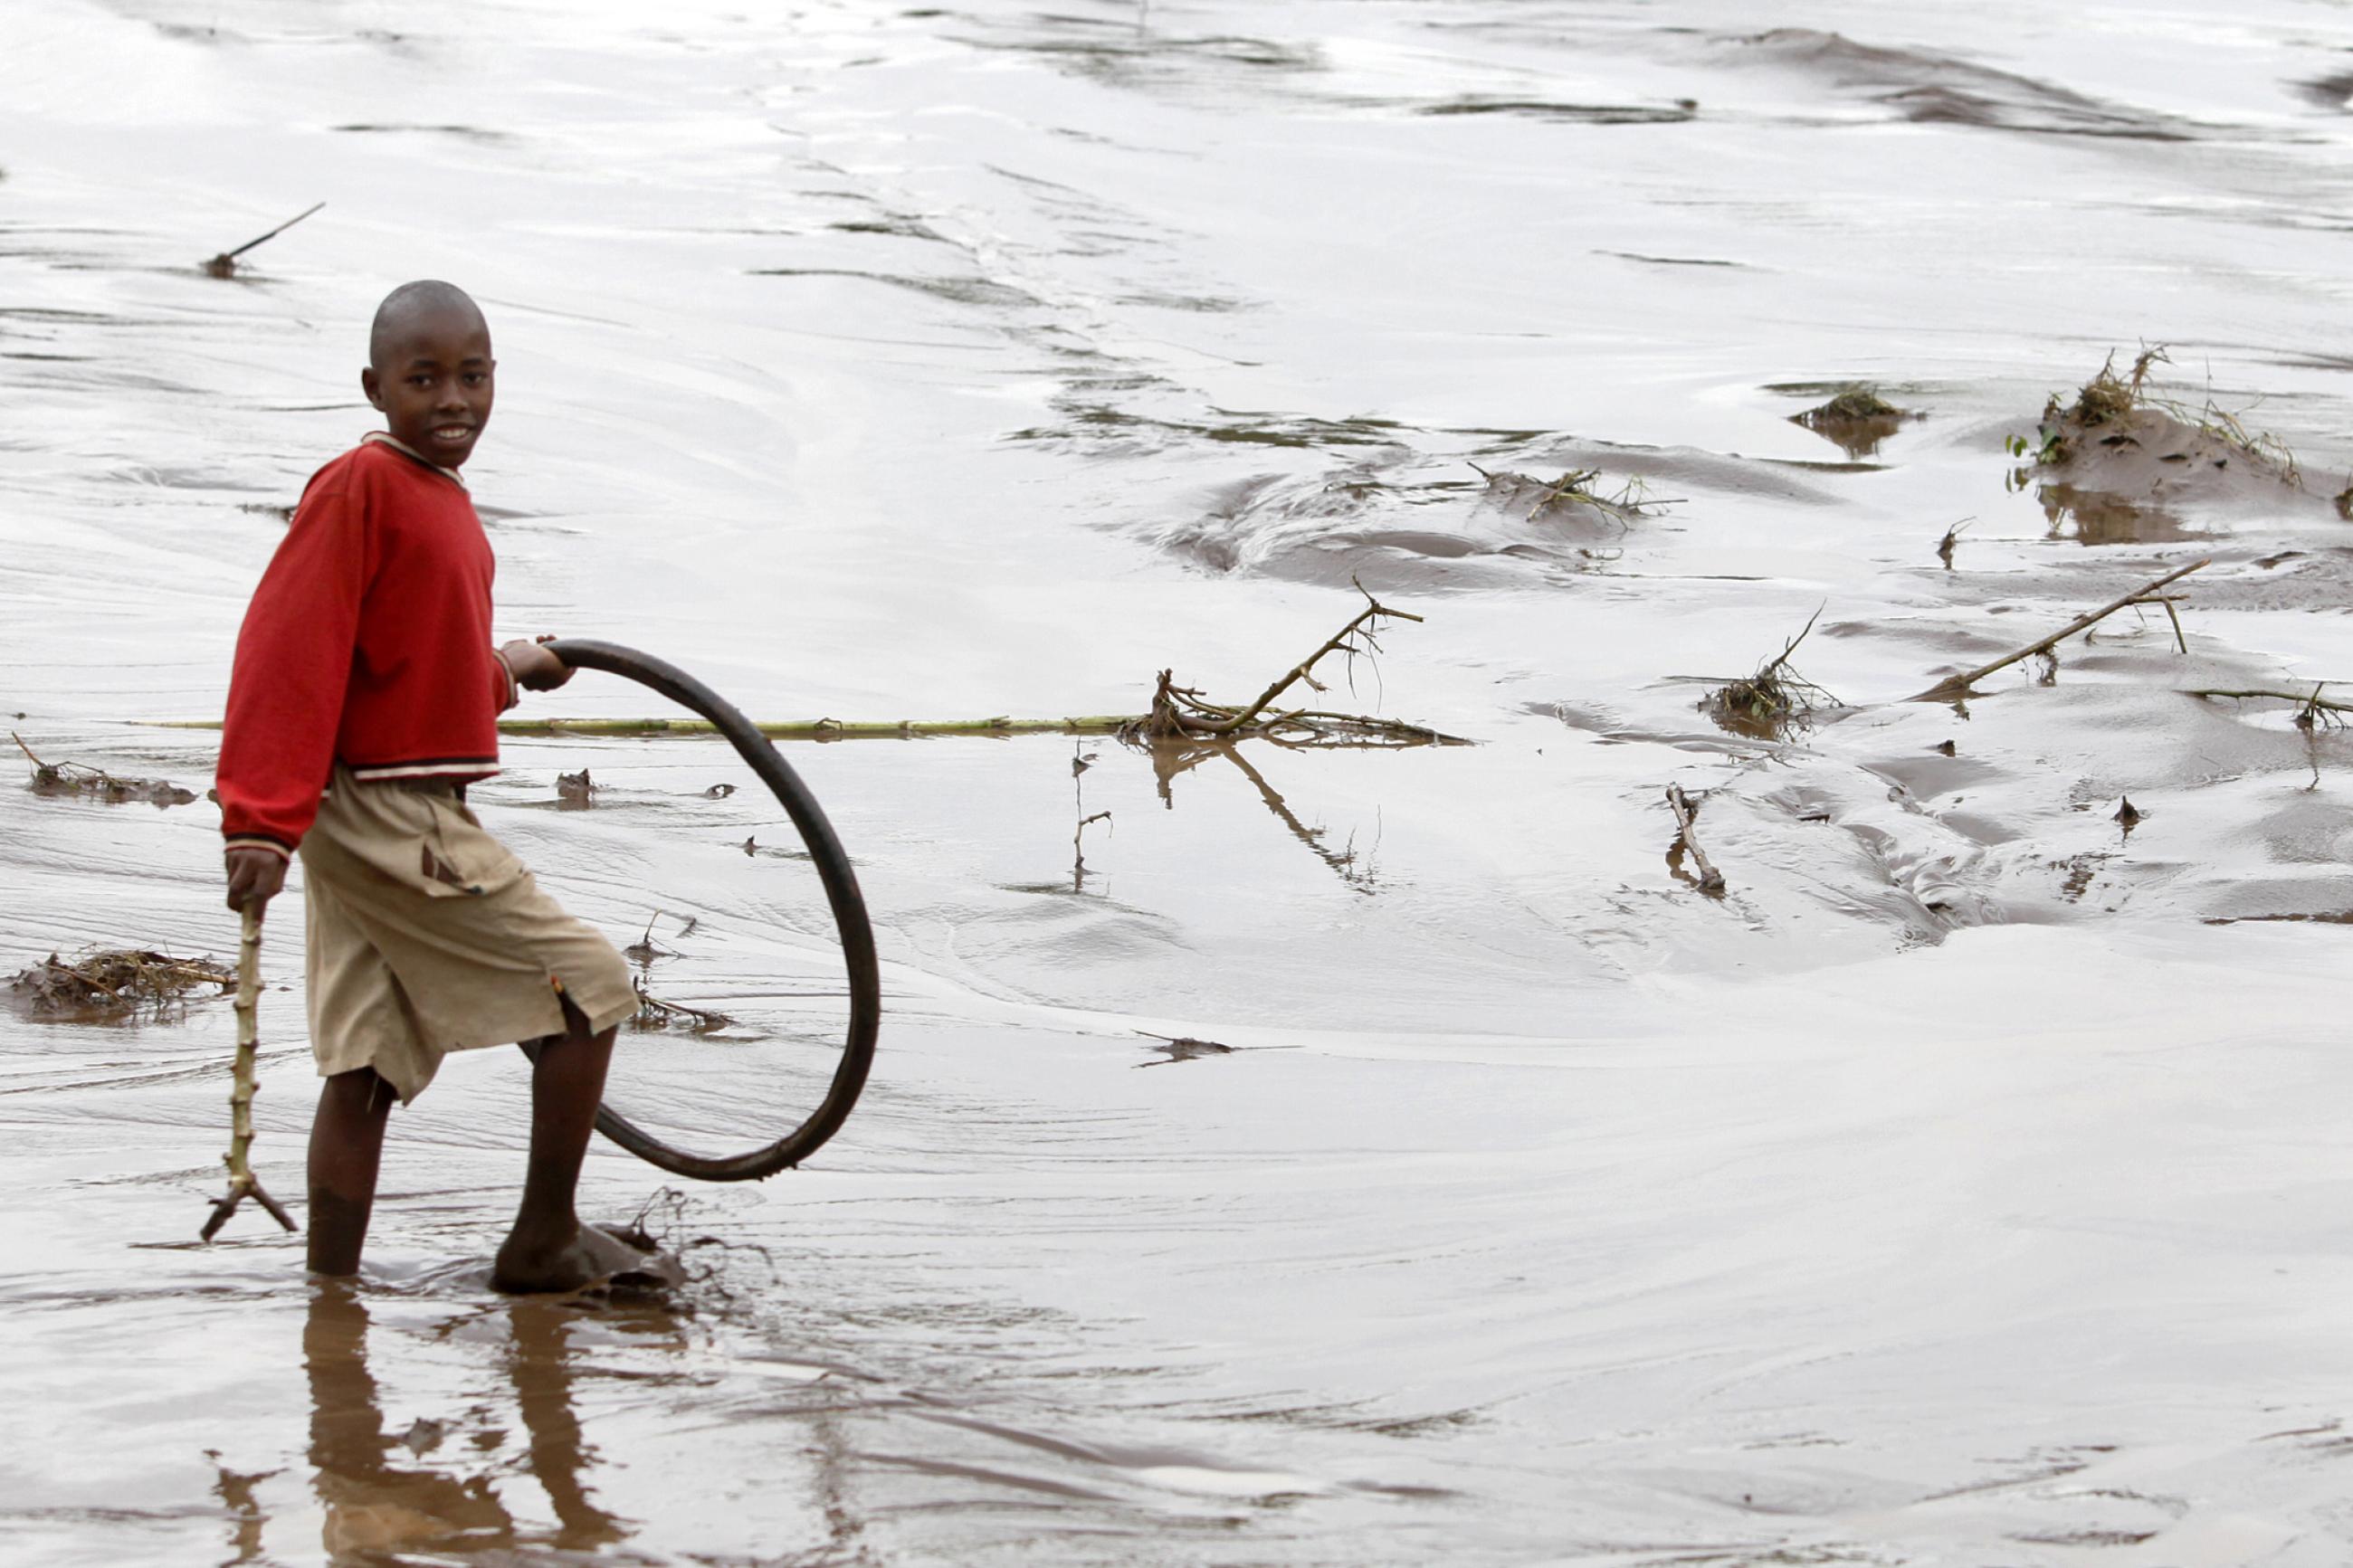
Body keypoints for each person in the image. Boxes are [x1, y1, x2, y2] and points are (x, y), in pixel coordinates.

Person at [217, 280, 642, 1292]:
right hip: (383, 814)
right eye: (423, 379)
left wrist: (508, 669)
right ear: (375, 387)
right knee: (587, 988)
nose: (452, 399)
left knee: (363, 1068)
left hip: (391, 802)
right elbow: (289, 650)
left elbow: (410, 670)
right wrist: (260, 821)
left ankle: (331, 1295)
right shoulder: (358, 488)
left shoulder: (442, 502)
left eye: (473, 376)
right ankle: (542, 1240)